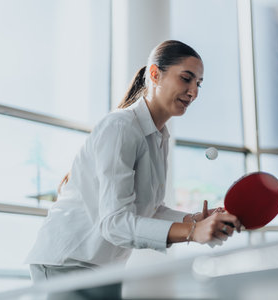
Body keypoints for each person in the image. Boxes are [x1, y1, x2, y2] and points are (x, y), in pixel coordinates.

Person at [25, 40, 241, 296]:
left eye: (198, 84)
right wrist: (193, 232)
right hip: (67, 261)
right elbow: (115, 223)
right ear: (154, 74)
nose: (193, 92)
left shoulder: (159, 137)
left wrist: (193, 219)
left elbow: (149, 209)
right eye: (186, 79)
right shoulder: (121, 127)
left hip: (105, 266)